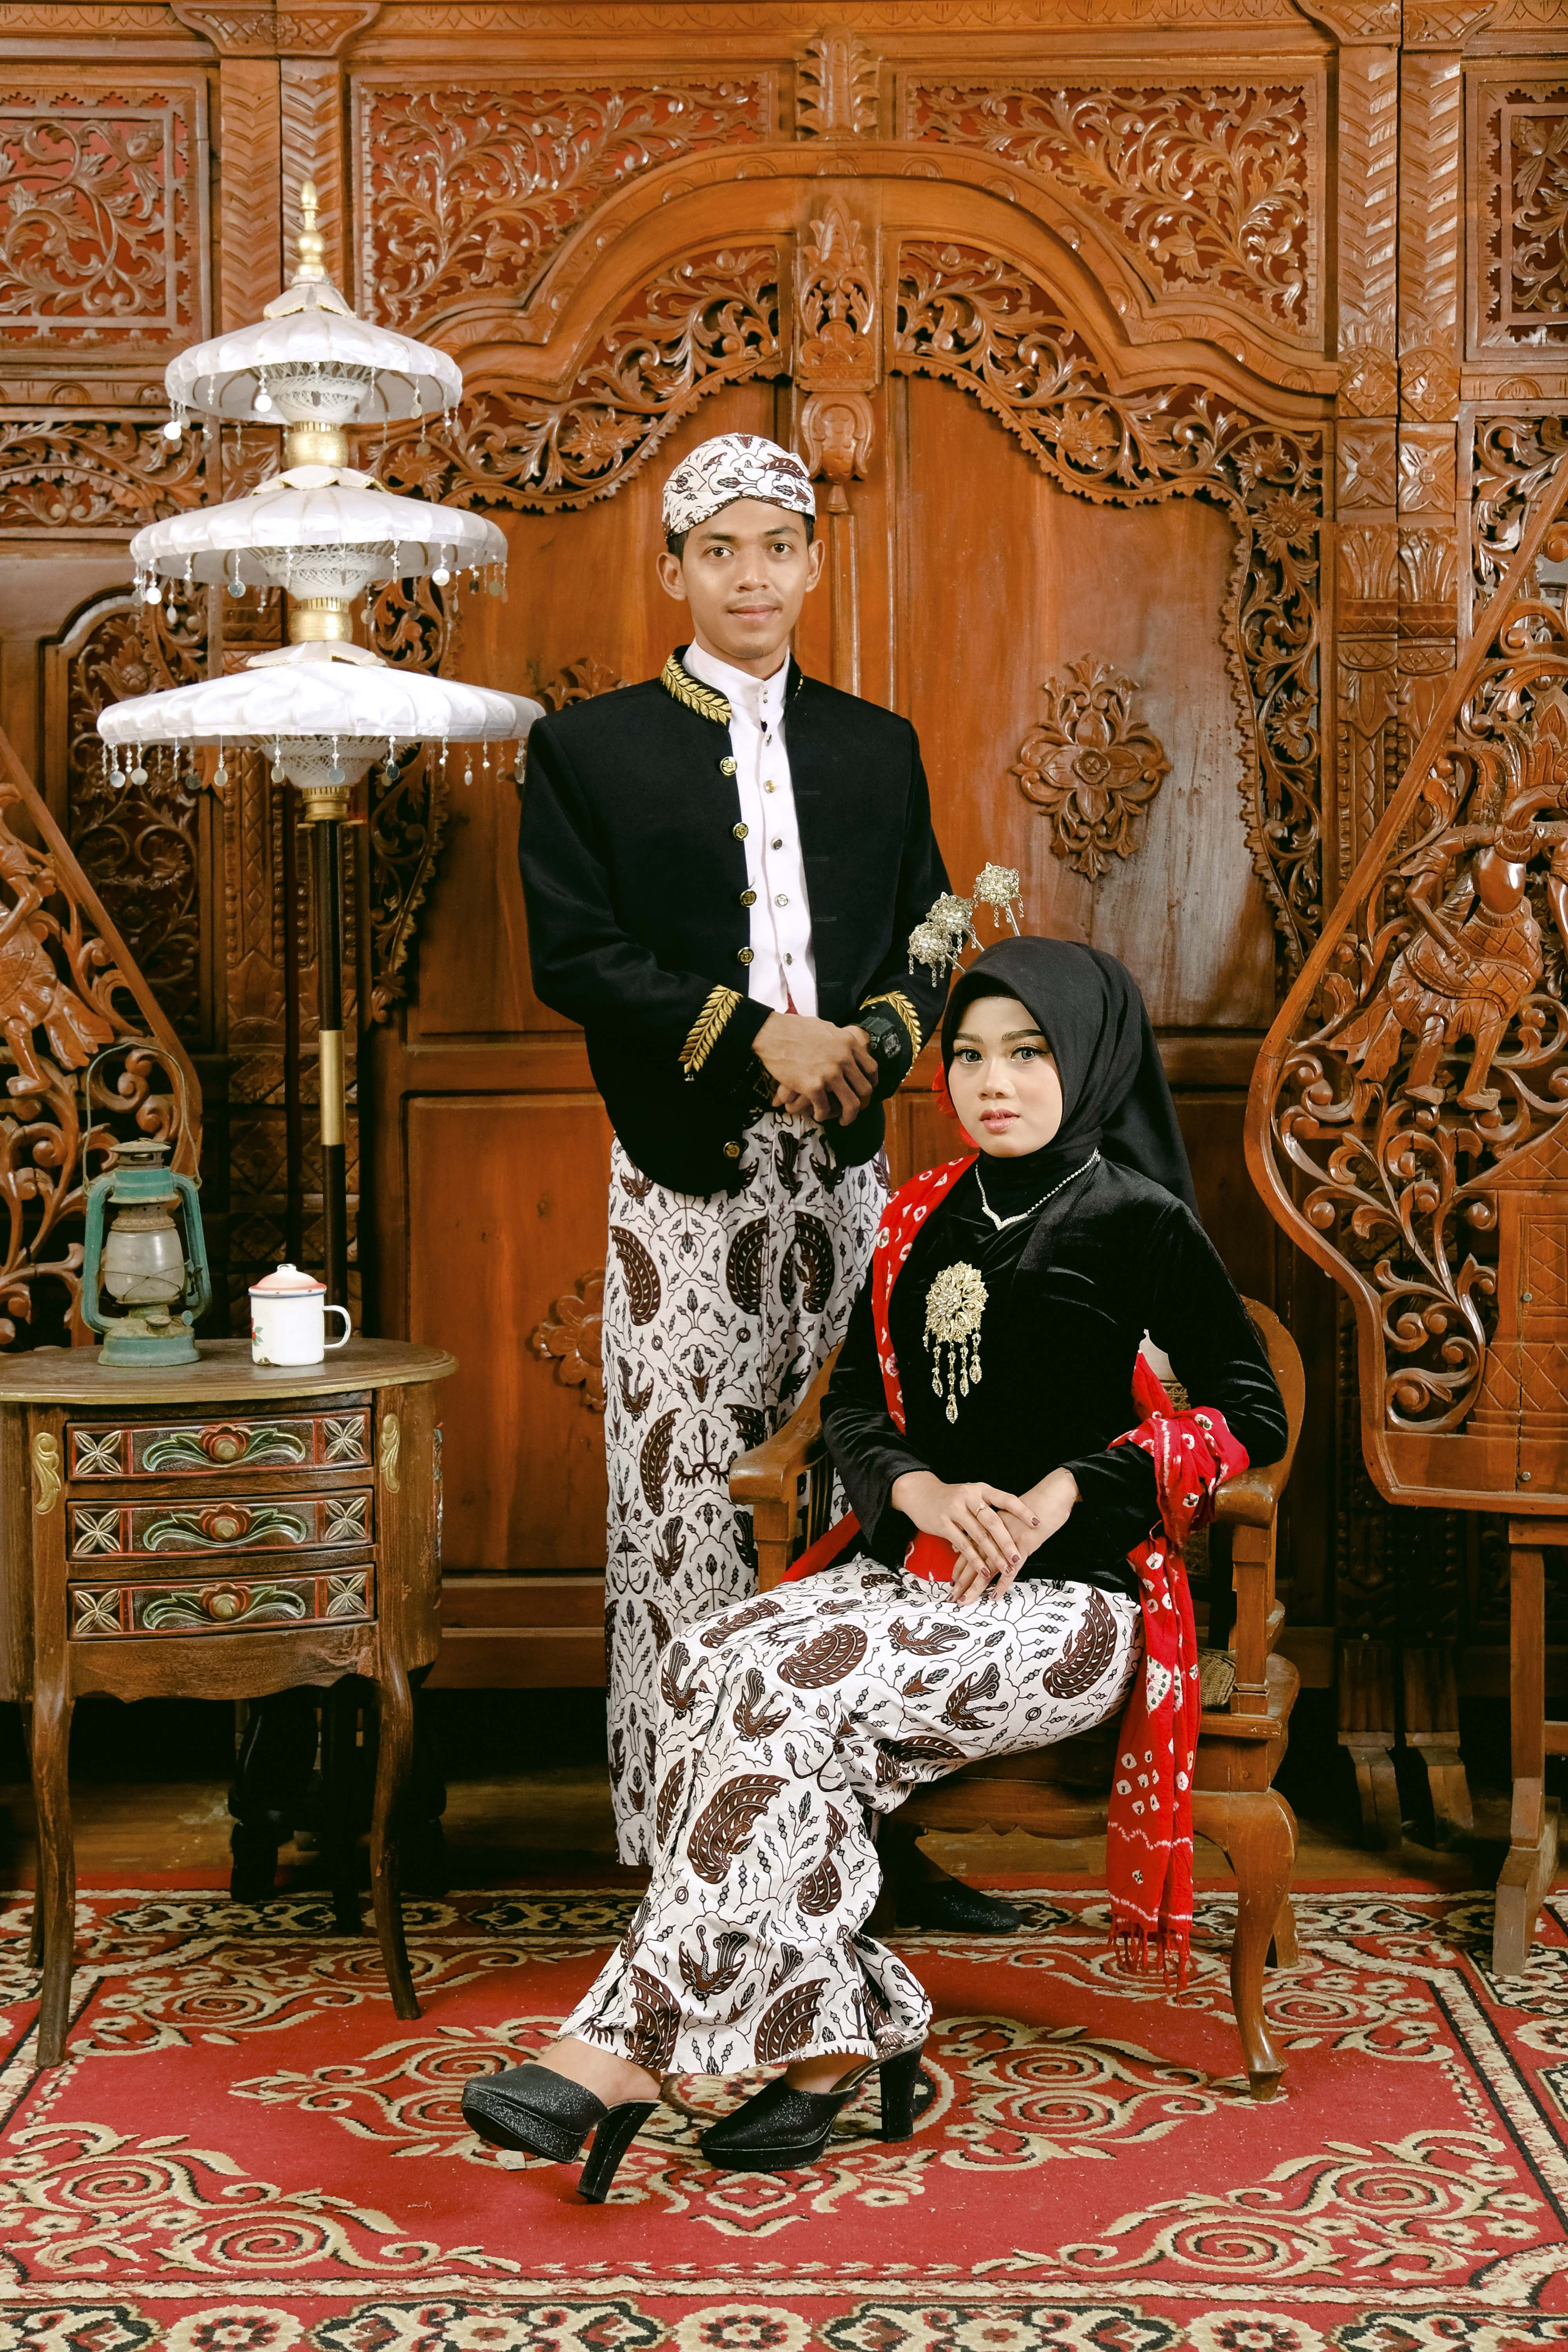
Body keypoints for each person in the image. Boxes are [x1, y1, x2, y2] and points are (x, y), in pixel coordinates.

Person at [461, 938, 1290, 2198]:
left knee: (784, 1693)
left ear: (1089, 1060)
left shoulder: (1141, 1221)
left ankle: (620, 2052)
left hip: (1072, 1605)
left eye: (1029, 1054)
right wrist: (921, 1491)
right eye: (971, 1057)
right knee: (705, 1661)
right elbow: (854, 1405)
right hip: (915, 1577)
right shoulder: (920, 1218)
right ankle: (840, 2032)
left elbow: (1247, 1411)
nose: (993, 1083)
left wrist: (1073, 1487)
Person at [519, 430, 979, 1920]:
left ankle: (867, 1846)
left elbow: (935, 928)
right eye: (719, 549)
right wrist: (752, 1034)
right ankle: (690, 1849)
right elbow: (574, 956)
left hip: (848, 1176)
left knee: (867, 1483)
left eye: (777, 546)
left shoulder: (878, 746)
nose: (751, 576)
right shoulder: (587, 750)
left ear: (813, 563)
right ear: (674, 570)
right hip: (681, 1186)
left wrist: (876, 1043)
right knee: (684, 1508)